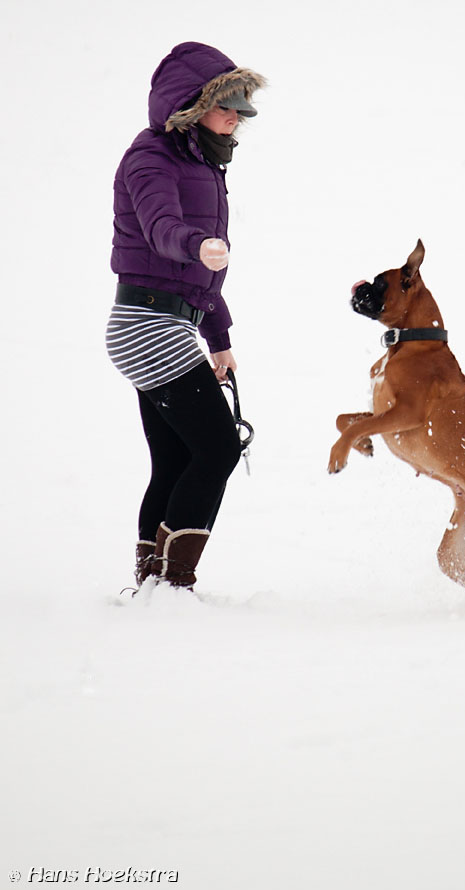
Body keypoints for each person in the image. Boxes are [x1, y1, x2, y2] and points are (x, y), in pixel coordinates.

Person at [106, 42, 265, 590]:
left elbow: (198, 283)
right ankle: (173, 586)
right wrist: (195, 243)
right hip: (146, 325)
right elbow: (160, 228)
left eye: (244, 106)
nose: (238, 115)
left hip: (164, 324)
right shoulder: (151, 156)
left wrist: (218, 337)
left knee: (175, 461)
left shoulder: (202, 163)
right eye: (229, 102)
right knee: (218, 448)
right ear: (194, 103)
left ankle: (152, 585)